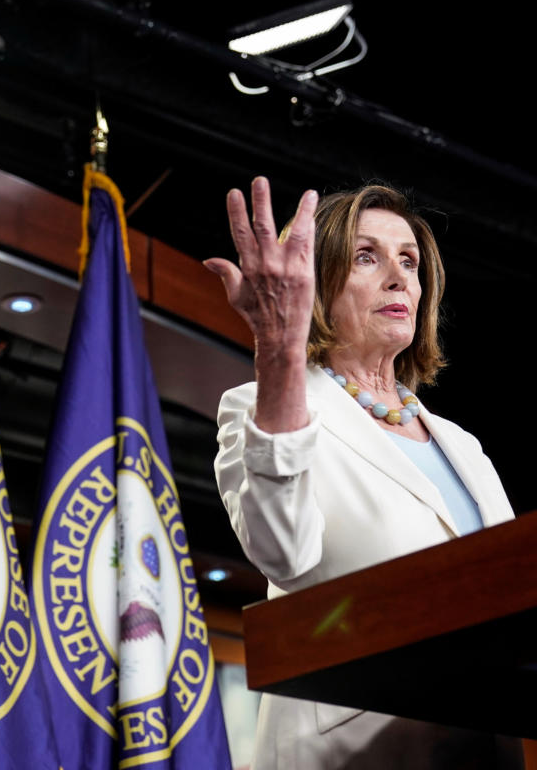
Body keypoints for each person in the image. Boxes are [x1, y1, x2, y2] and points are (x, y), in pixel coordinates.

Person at [205, 178, 523, 769]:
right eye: (366, 257)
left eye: (409, 261)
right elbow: (283, 553)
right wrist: (279, 347)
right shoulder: (261, 408)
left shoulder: (462, 445)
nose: (399, 277)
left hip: (484, 745)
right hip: (350, 751)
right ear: (314, 284)